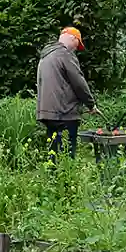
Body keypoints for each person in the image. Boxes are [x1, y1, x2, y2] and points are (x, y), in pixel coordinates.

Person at [36, 27, 101, 159]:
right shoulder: (65, 55)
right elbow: (79, 82)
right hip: (64, 113)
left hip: (47, 113)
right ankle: (66, 172)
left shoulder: (46, 55)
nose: (76, 48)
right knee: (67, 154)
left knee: (54, 152)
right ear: (72, 38)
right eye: (78, 44)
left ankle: (52, 172)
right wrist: (91, 105)